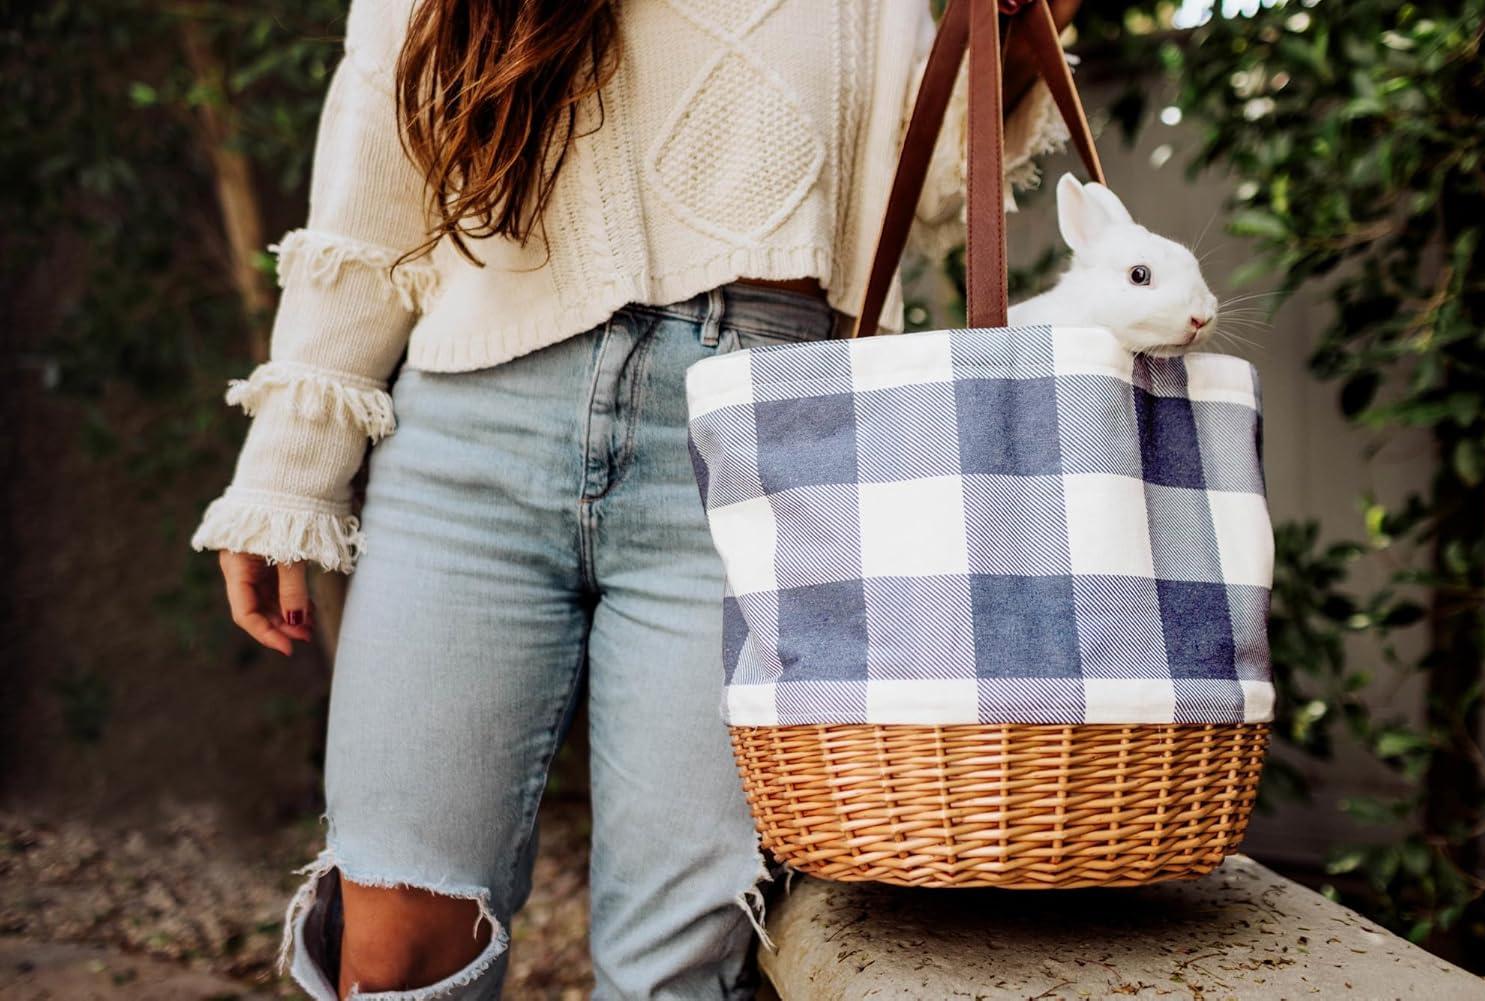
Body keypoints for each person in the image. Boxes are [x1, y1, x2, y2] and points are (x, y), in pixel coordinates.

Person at [190, 0, 1076, 997]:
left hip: (756, 436)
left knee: (680, 965)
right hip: (468, 432)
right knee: (392, 946)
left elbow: (927, 173)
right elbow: (373, 200)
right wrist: (285, 470)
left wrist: (1016, 38)